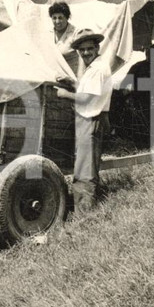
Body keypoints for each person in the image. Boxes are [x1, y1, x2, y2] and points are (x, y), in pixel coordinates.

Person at [56, 29, 113, 213]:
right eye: (82, 50)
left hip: (91, 119)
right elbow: (85, 89)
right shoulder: (93, 67)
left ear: (97, 48)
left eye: (89, 48)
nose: (86, 52)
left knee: (85, 170)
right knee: (83, 164)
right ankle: (85, 207)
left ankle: (85, 214)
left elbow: (87, 98)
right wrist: (71, 82)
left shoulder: (98, 69)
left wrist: (65, 94)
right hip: (86, 119)